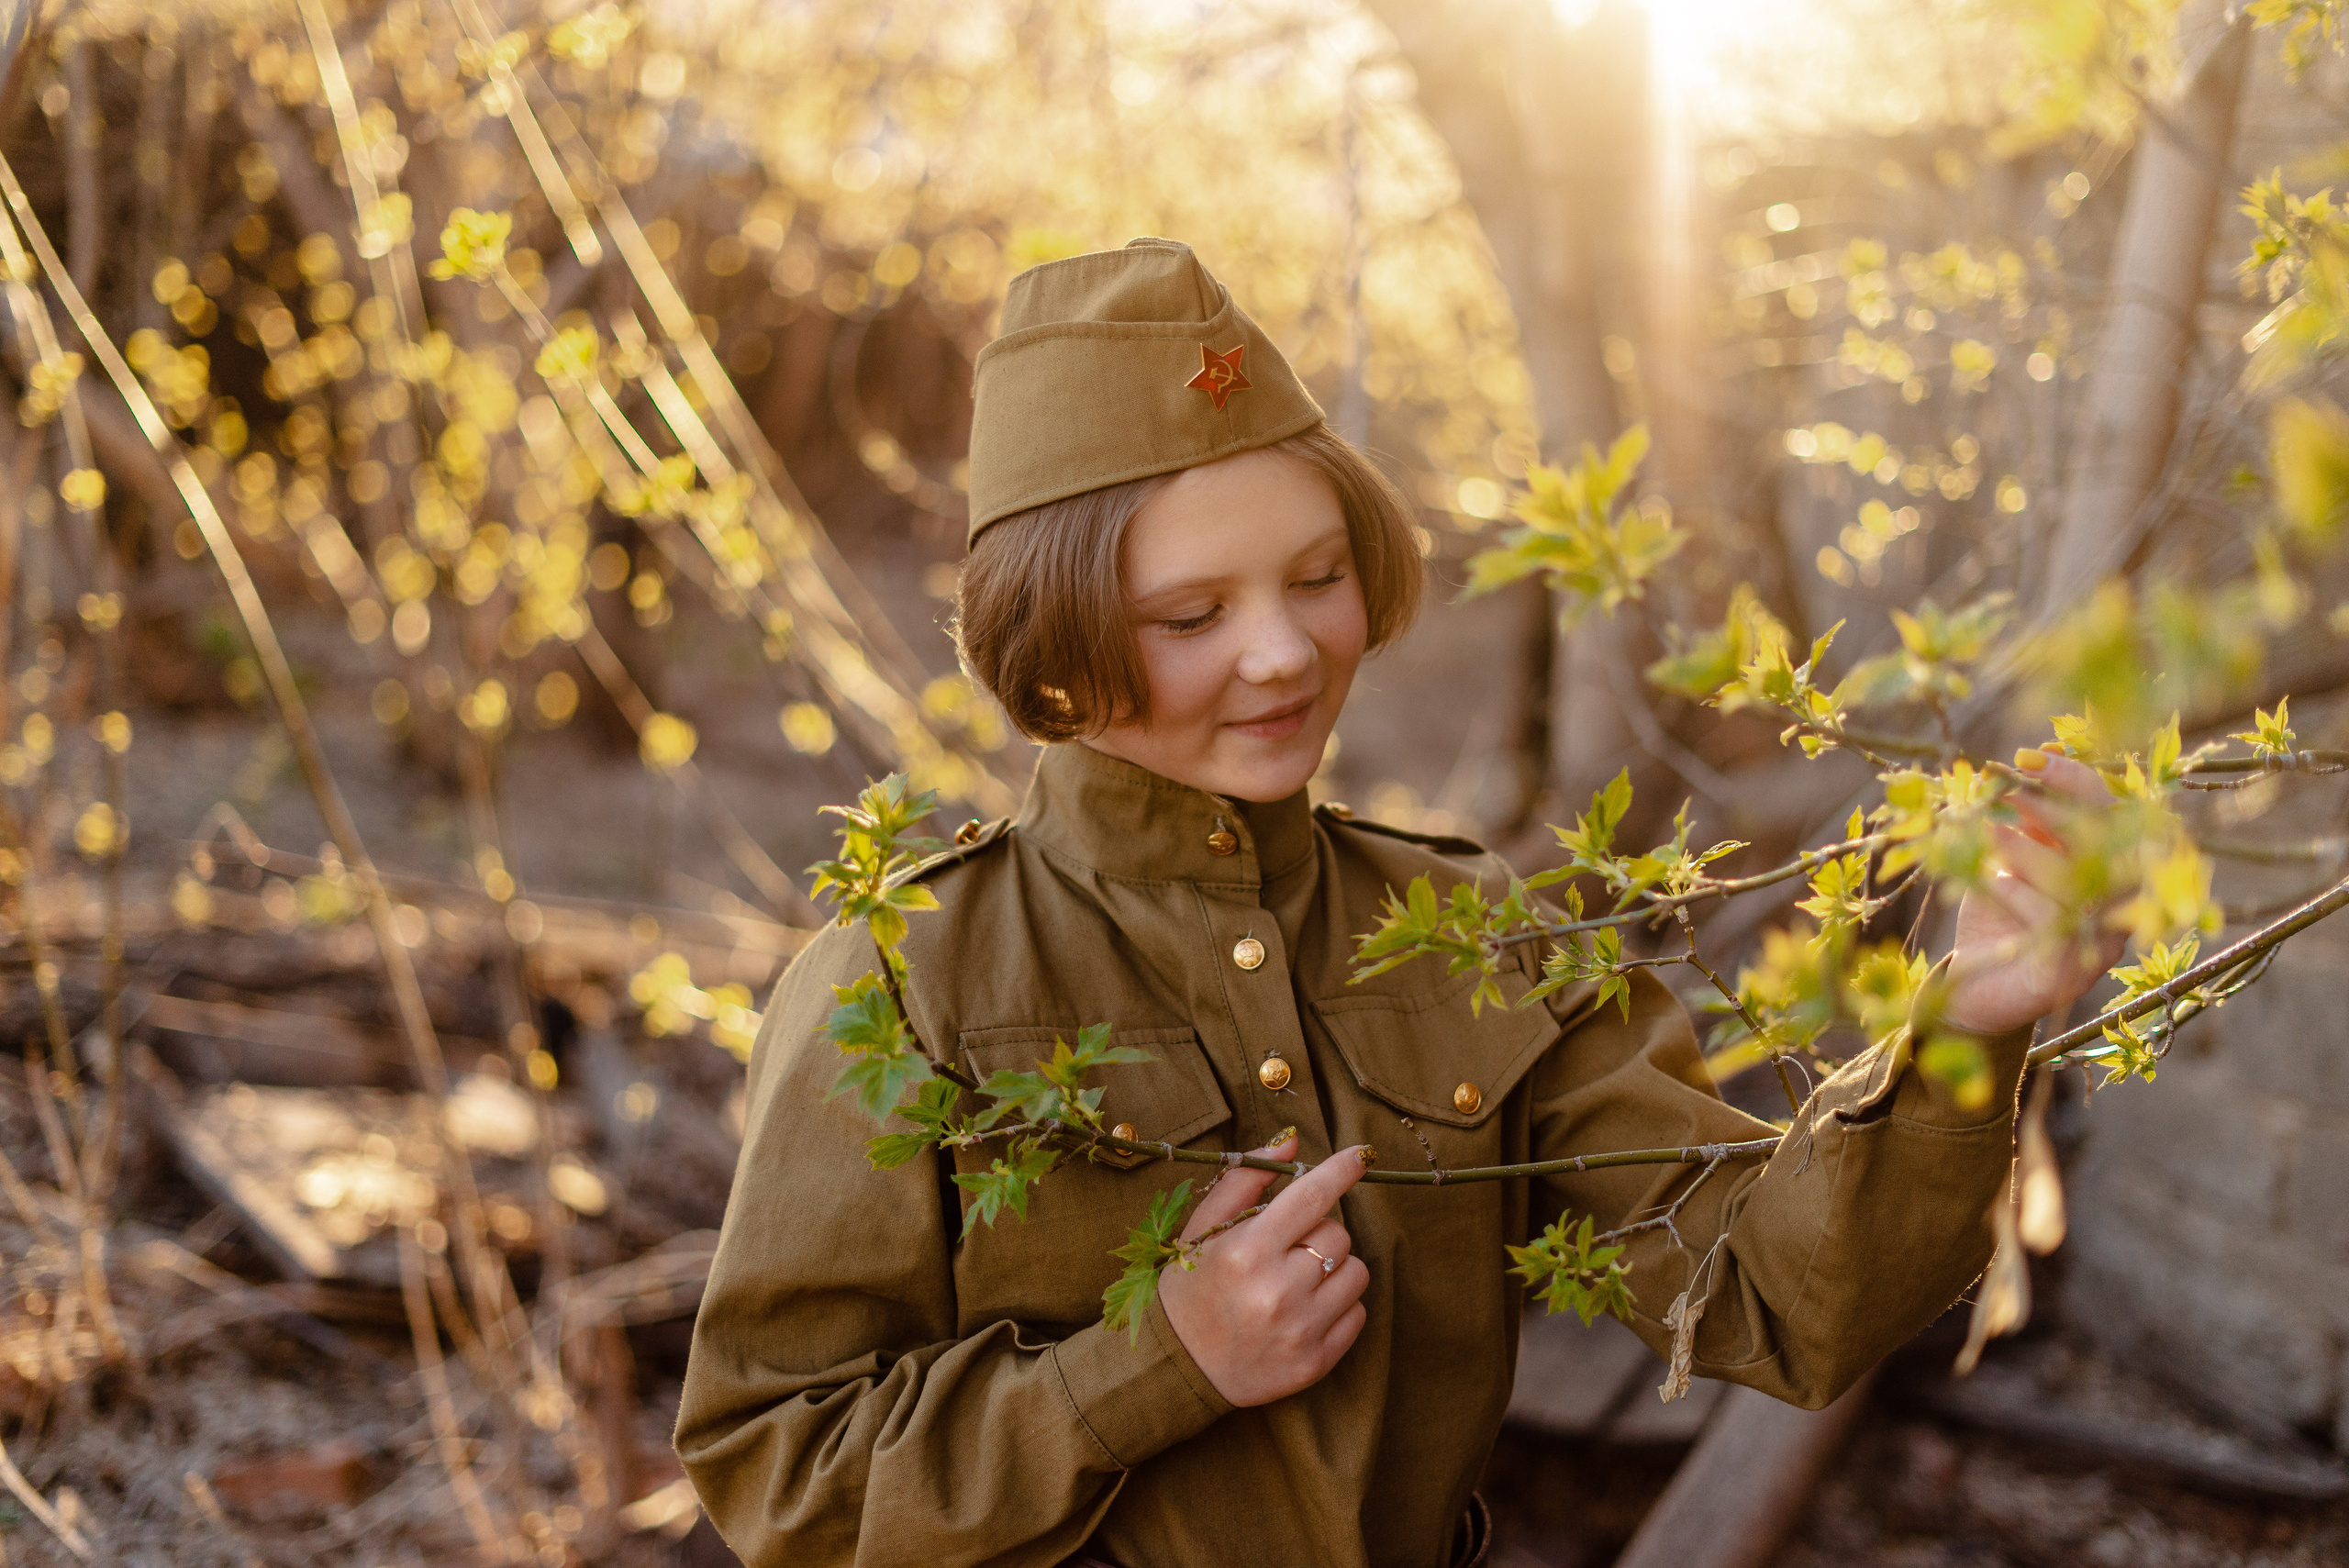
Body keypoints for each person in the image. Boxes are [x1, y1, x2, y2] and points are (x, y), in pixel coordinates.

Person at [674, 239, 2114, 1568]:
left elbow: (1764, 1289)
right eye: (1192, 617)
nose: (1285, 652)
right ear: (1050, 632)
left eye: (1319, 576)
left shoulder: (1478, 937)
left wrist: (1966, 1024)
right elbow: (778, 1469)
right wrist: (1153, 1361)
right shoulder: (898, 980)